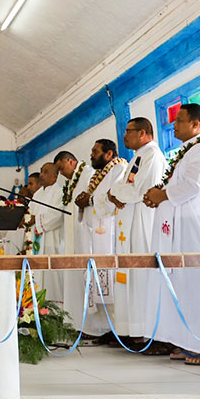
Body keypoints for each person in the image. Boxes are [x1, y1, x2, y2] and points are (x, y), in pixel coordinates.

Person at [142, 104, 200, 364]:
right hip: (180, 226)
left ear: (196, 125)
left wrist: (161, 195)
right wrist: (158, 194)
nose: (174, 126)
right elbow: (177, 184)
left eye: (179, 121)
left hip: (196, 226)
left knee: (198, 284)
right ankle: (189, 341)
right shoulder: (188, 151)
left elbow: (194, 186)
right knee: (184, 286)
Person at [107, 117, 167, 347]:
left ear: (143, 133)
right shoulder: (137, 157)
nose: (124, 136)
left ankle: (145, 331)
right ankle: (130, 330)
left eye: (128, 131)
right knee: (128, 276)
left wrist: (116, 192)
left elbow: (141, 191)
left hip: (142, 222)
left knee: (141, 276)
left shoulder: (152, 155)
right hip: (128, 222)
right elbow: (124, 189)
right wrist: (117, 191)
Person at [74, 140, 127, 340]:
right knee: (95, 280)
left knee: (109, 281)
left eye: (95, 151)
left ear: (108, 154)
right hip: (94, 234)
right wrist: (84, 201)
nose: (91, 155)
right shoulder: (98, 175)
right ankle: (101, 328)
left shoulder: (119, 168)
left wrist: (89, 200)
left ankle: (114, 329)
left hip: (108, 233)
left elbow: (114, 196)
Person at [54, 150, 94, 331]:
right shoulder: (70, 183)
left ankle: (89, 326)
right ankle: (74, 323)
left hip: (85, 235)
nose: (61, 173)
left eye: (61, 168)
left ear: (71, 161)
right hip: (72, 239)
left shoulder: (88, 175)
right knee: (73, 280)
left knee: (84, 279)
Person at [32, 163, 66, 305]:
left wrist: (36, 221)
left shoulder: (60, 192)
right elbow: (30, 213)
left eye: (45, 172)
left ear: (54, 176)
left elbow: (57, 216)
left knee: (52, 279)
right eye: (41, 171)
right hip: (37, 242)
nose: (41, 175)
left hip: (52, 242)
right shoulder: (38, 193)